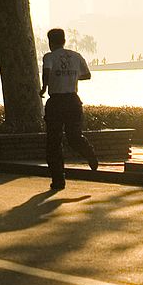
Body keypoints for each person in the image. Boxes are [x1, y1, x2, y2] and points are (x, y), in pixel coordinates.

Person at [40, 28, 99, 191]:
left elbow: (46, 73)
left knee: (53, 142)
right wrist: (71, 76)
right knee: (74, 136)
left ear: (50, 42)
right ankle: (89, 153)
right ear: (64, 40)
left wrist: (44, 87)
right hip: (73, 100)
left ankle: (58, 180)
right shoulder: (76, 56)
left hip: (56, 101)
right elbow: (87, 75)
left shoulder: (49, 57)